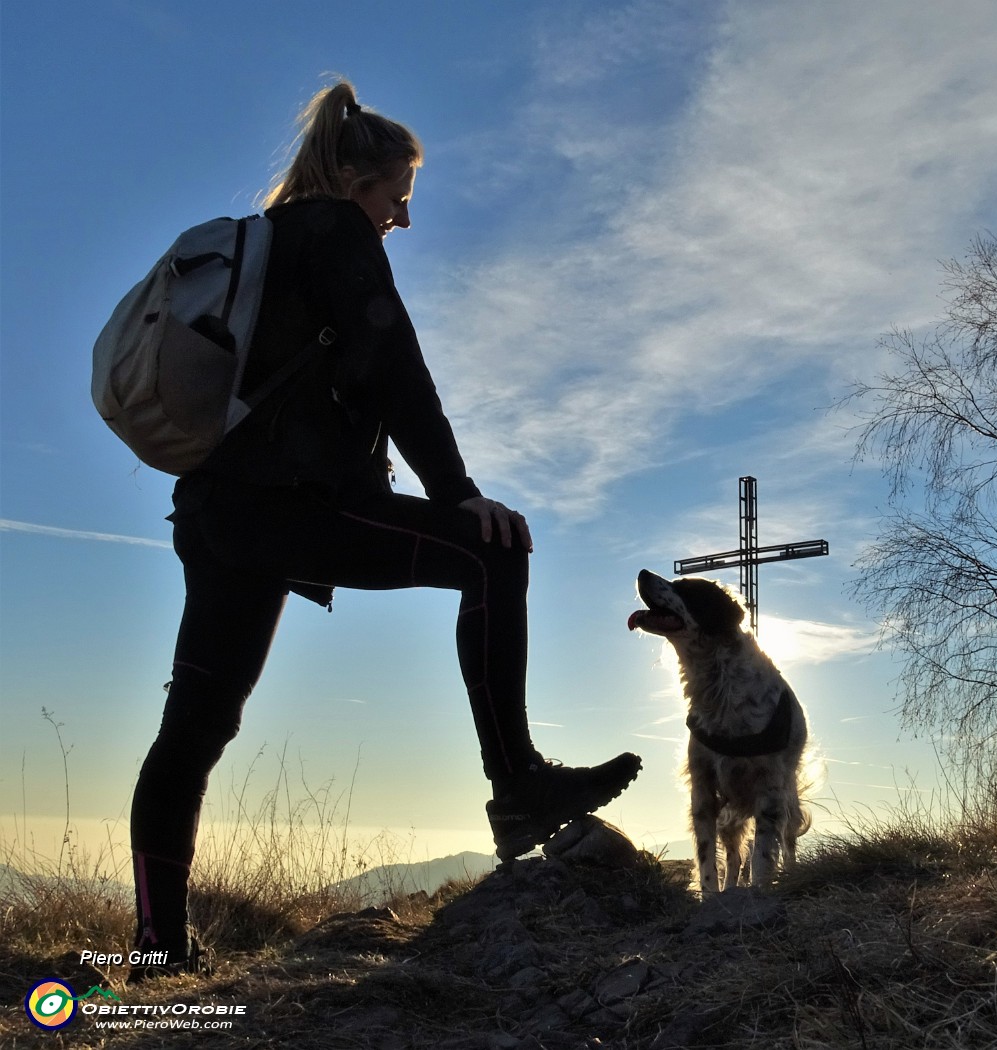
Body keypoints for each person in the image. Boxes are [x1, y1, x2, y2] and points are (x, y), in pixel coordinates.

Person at [127, 79, 641, 978]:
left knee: (194, 728)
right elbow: (396, 366)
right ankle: (517, 785)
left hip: (216, 513)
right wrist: (460, 492)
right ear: (355, 179)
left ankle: (159, 949)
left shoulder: (270, 247)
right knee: (492, 552)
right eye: (396, 198)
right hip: (292, 507)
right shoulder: (333, 233)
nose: (400, 219)